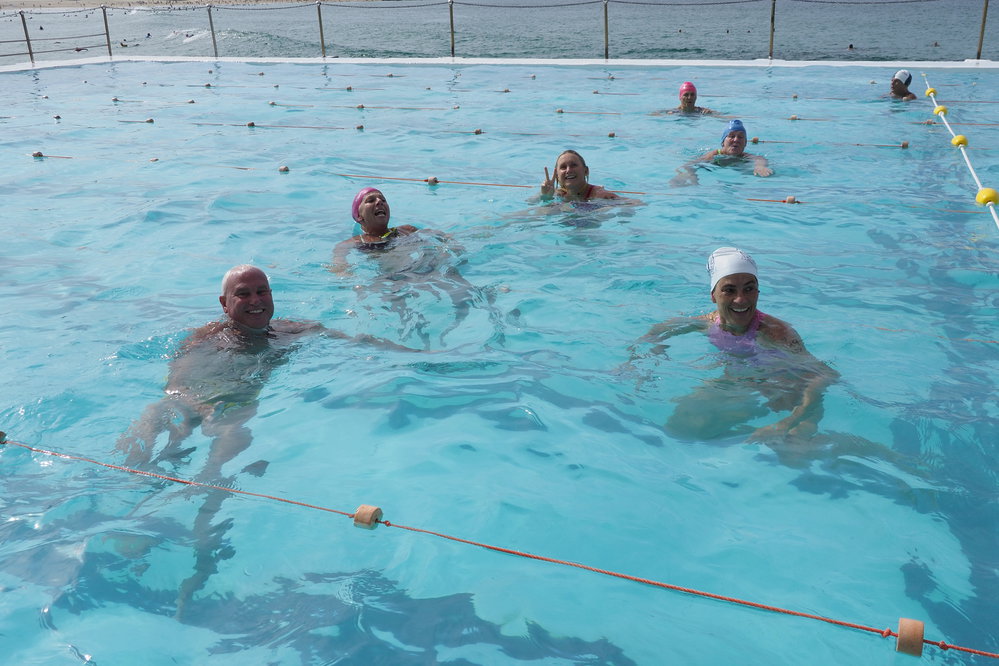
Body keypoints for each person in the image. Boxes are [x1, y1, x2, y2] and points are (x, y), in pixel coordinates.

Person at [117, 264, 409, 479]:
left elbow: (354, 343)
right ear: (224, 304)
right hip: (190, 398)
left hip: (235, 406)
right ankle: (125, 480)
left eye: (262, 291)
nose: (255, 300)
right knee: (156, 413)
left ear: (271, 295)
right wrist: (194, 404)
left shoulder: (292, 331)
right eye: (243, 294)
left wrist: (410, 356)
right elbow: (177, 373)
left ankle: (205, 493)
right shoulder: (207, 335)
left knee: (234, 435)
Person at [632, 247, 838, 444]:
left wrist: (787, 423)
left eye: (749, 289)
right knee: (680, 425)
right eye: (729, 290)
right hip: (744, 383)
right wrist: (646, 357)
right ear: (713, 296)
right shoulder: (709, 323)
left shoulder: (777, 333)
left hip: (791, 395)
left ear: (758, 292)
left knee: (795, 453)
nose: (741, 299)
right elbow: (658, 331)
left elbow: (825, 375)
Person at [332, 187, 496, 347]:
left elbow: (441, 236)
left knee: (468, 300)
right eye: (370, 200)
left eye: (383, 200)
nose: (379, 202)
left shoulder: (407, 230)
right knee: (411, 323)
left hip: (430, 269)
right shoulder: (356, 243)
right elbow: (339, 265)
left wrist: (452, 246)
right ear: (359, 216)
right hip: (396, 280)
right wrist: (347, 276)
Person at [670, 119, 772, 186]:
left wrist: (760, 167)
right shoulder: (714, 155)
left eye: (740, 137)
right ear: (723, 142)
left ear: (745, 143)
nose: (736, 140)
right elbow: (691, 164)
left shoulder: (744, 156)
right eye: (731, 136)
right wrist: (689, 174)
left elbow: (760, 159)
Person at [539, 150, 621, 202]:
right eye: (563, 167)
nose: (568, 170)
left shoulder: (601, 196)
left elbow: (630, 204)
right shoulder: (555, 194)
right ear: (557, 175)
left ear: (586, 171)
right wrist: (546, 198)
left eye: (573, 165)